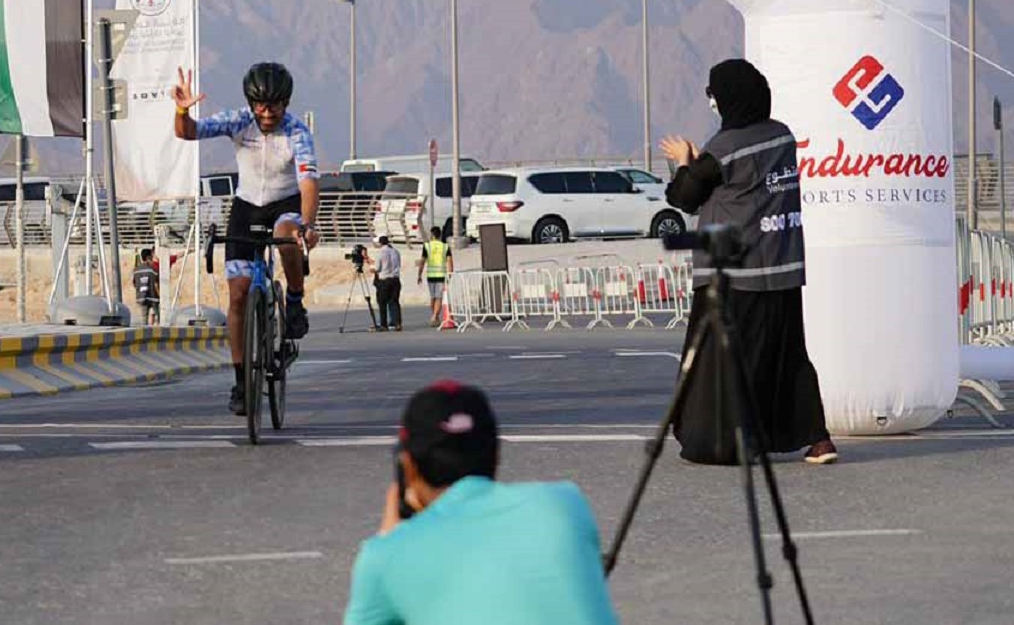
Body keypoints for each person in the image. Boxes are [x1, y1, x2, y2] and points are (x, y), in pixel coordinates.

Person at [661, 57, 838, 466]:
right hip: (784, 266)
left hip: (736, 275)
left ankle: (734, 442)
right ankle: (817, 440)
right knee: (789, 356)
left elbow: (685, 197)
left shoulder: (723, 149)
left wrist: (686, 159)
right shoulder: (783, 137)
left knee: (728, 361)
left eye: (714, 96)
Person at [344, 381, 618, 625]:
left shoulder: (384, 556)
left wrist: (387, 537)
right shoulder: (565, 504)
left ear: (408, 468)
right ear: (496, 453)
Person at [169, 62, 318, 417]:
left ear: (286, 103)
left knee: (287, 234)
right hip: (247, 206)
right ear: (251, 103)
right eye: (261, 105)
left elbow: (309, 183)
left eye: (275, 105)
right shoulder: (239, 121)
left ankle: (295, 300)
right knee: (237, 295)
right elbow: (188, 133)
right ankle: (241, 382)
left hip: (285, 204)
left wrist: (308, 225)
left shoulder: (297, 133)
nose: (267, 113)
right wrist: (181, 111)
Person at [416, 232, 450, 328]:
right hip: (441, 275)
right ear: (439, 235)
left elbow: (422, 261)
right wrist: (450, 275)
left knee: (433, 297)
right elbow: (449, 262)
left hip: (430, 275)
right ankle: (434, 316)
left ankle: (435, 316)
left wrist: (419, 274)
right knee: (439, 297)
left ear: (432, 235)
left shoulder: (427, 246)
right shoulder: (445, 246)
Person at [373, 235, 404, 331]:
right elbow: (399, 264)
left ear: (380, 243)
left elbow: (378, 268)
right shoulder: (396, 252)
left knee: (382, 303)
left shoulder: (381, 253)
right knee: (394, 302)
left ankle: (383, 325)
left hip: (384, 280)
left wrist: (372, 269)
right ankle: (397, 323)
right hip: (395, 279)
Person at [132, 248, 161, 326]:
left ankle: (145, 335)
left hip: (141, 297)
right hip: (153, 297)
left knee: (144, 320)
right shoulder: (153, 270)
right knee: (158, 319)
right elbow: (156, 284)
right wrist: (160, 295)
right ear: (148, 257)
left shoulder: (136, 270)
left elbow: (134, 284)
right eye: (151, 256)